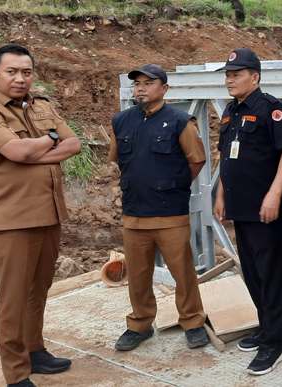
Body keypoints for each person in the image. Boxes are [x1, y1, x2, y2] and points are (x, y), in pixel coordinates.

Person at [0, 44, 81, 387]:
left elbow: (73, 144)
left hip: (48, 214)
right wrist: (50, 139)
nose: (20, 78)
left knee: (38, 290)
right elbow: (16, 150)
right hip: (11, 219)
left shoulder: (42, 105)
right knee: (13, 298)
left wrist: (34, 150)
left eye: (26, 72)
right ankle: (16, 373)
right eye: (12, 72)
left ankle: (35, 350)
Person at [108, 64, 210, 352]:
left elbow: (197, 160)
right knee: (138, 276)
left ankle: (192, 322)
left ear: (164, 89)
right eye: (137, 83)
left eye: (148, 83)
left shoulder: (180, 121)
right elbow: (115, 159)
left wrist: (173, 185)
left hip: (170, 214)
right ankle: (139, 325)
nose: (140, 88)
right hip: (134, 215)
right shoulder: (121, 121)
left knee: (183, 273)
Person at [213, 48, 282, 375]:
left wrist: (274, 194)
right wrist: (221, 195)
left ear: (255, 77)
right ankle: (266, 327)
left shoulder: (271, 109)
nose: (229, 79)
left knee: (271, 273)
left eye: (236, 74)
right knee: (252, 271)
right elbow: (226, 156)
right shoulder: (230, 111)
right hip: (241, 206)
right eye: (227, 74)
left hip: (266, 208)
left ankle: (275, 343)